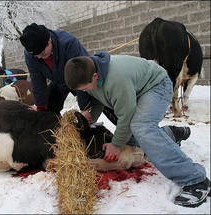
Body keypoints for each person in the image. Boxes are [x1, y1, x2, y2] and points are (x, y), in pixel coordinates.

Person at [64, 52, 210, 208]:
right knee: (136, 140)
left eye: (85, 88)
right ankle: (171, 134)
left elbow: (126, 118)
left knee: (141, 126)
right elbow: (98, 95)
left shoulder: (117, 80)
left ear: (95, 75)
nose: (85, 91)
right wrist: (92, 116)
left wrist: (116, 145)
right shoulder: (92, 74)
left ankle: (195, 180)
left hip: (156, 86)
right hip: (136, 91)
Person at [20, 23, 99, 117]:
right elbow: (37, 81)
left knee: (97, 107)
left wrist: (85, 108)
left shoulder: (68, 43)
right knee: (48, 112)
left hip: (82, 79)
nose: (40, 57)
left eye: (42, 52)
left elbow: (82, 75)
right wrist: (41, 108)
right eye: (36, 55)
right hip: (57, 83)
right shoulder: (31, 55)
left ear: (49, 40)